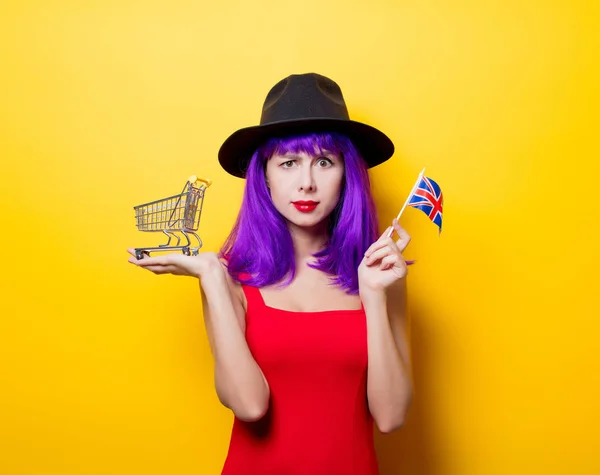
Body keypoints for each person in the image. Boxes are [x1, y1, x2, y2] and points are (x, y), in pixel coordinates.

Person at [127, 73, 414, 475]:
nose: (307, 183)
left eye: (324, 162)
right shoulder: (229, 280)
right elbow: (249, 405)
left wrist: (375, 295)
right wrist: (212, 274)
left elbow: (390, 416)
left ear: (347, 174)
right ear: (264, 175)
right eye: (289, 163)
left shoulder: (381, 278)